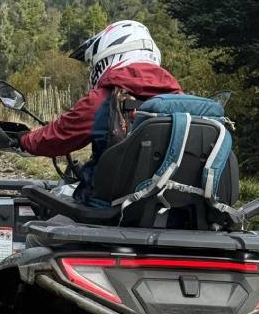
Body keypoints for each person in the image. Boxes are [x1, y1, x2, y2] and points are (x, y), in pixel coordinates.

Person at [19, 20, 182, 199]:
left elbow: (58, 136)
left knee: (44, 211)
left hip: (107, 208)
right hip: (169, 209)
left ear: (108, 55)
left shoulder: (104, 99)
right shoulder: (182, 103)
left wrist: (23, 140)